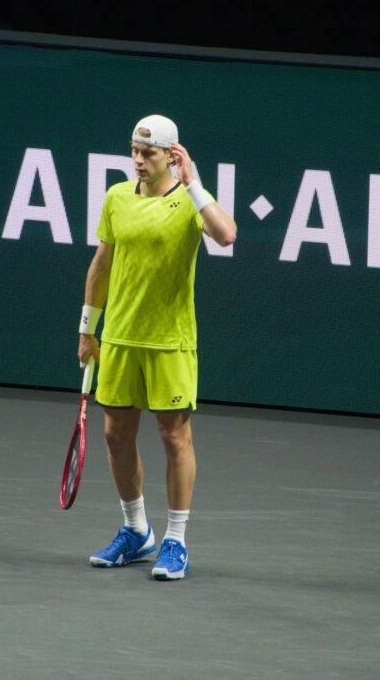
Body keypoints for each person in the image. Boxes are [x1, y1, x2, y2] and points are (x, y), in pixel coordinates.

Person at [77, 114, 237, 580]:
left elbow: (227, 235)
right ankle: (136, 532)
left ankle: (175, 540)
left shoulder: (189, 203)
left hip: (170, 342)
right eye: (134, 150)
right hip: (120, 337)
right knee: (115, 435)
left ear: (172, 154)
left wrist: (195, 184)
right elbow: (101, 266)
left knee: (173, 438)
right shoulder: (117, 197)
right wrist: (88, 330)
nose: (138, 160)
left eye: (148, 153)